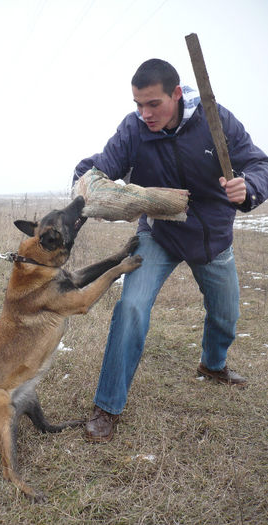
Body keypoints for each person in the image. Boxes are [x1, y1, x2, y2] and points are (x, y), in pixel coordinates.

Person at [73, 58, 268, 443]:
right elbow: (102, 166)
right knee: (131, 307)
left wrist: (248, 186)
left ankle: (213, 365)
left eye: (153, 104)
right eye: (138, 104)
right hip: (159, 233)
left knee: (226, 314)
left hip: (211, 235)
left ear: (177, 94)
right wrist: (83, 184)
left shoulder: (216, 120)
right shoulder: (134, 129)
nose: (145, 114)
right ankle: (107, 407)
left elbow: (258, 163)